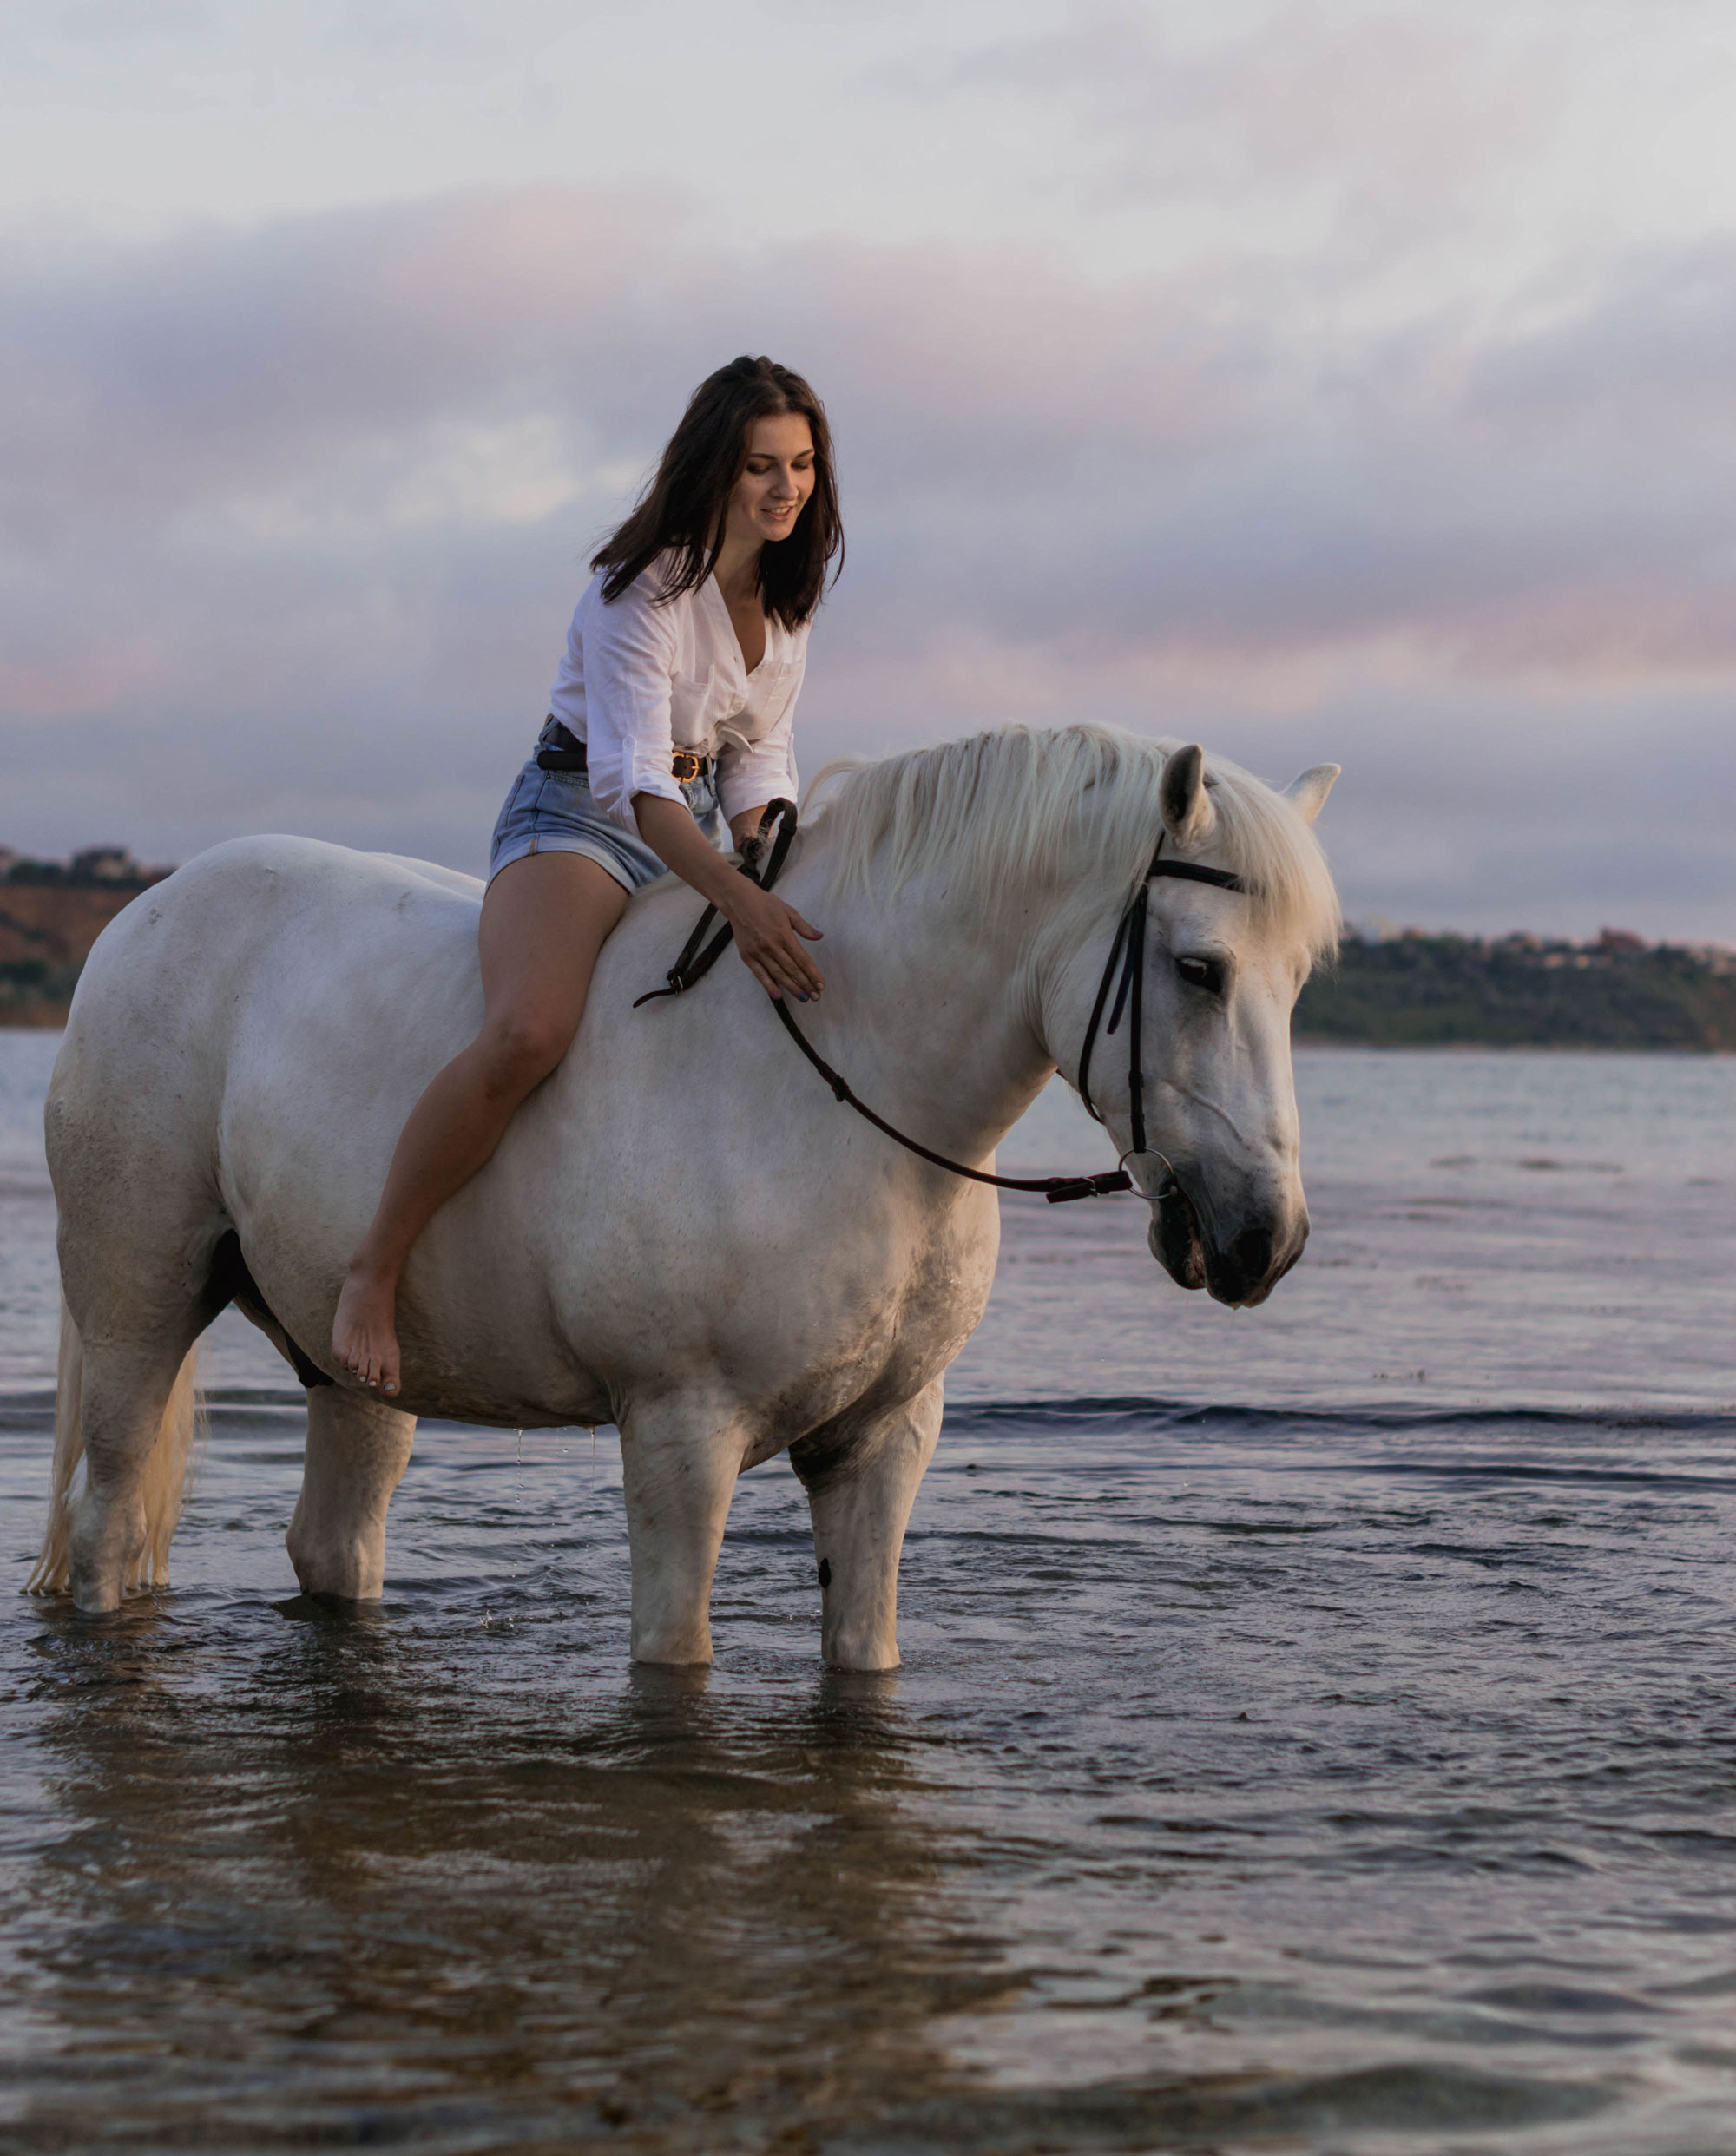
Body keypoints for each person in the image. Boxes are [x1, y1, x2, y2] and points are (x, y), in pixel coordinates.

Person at [332, 355, 843, 1397]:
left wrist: (771, 849)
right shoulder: (640, 593)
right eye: (759, 467)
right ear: (712, 470)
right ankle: (372, 1268)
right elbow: (635, 787)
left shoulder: (785, 605)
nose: (784, 488)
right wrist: (738, 897)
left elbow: (756, 756)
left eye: (799, 464)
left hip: (695, 813)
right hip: (580, 812)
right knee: (530, 1032)